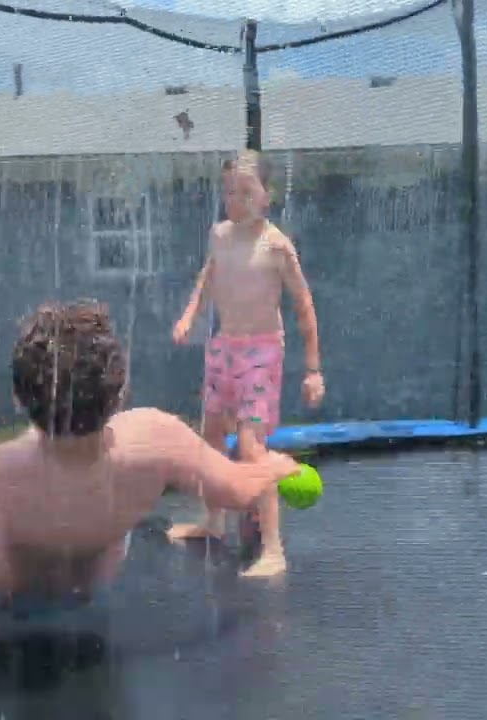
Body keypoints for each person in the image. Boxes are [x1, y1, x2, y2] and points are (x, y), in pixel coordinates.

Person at [0, 300, 302, 661]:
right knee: (51, 492)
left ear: (19, 398)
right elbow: (239, 489)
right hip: (90, 578)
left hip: (9, 582)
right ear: (120, 389)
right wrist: (274, 467)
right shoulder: (156, 437)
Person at [169, 150, 325, 578]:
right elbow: (209, 275)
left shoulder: (276, 246)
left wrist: (313, 370)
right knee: (212, 435)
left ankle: (273, 548)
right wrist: (189, 315)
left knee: (252, 446)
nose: (234, 200)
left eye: (245, 191)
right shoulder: (220, 235)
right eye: (228, 192)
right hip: (223, 348)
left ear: (266, 196)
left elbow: (304, 305)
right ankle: (215, 522)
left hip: (261, 352)